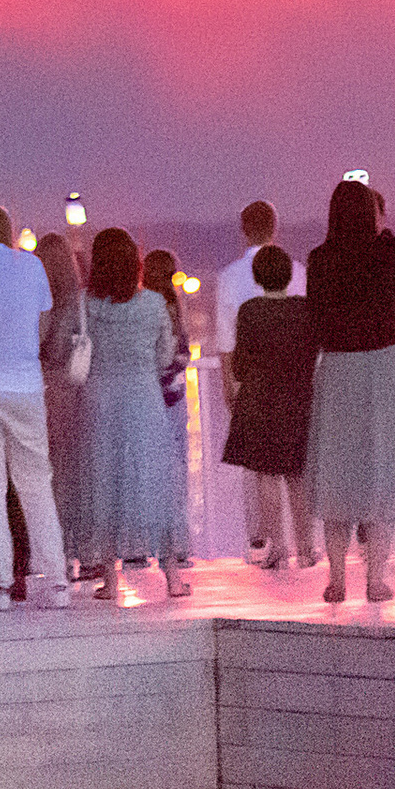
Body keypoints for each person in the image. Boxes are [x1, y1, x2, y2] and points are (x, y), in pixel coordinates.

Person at [304, 179, 395, 606]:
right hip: (388, 364)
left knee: (339, 471)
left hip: (340, 366)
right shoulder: (390, 251)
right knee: (384, 471)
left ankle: (337, 577)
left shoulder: (320, 259)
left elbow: (315, 315)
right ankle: (376, 579)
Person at [0, 209, 73, 609]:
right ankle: (57, 582)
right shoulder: (33, 266)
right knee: (36, 484)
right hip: (25, 386)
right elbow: (42, 327)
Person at [77, 226, 190, 601]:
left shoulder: (86, 305)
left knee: (104, 484)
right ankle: (172, 577)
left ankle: (110, 580)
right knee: (155, 483)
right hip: (143, 400)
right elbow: (164, 356)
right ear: (134, 263)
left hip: (99, 401)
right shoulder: (154, 304)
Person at [214, 202, 303, 559]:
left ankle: (268, 541)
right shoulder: (299, 272)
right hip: (296, 385)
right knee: (297, 468)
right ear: (275, 227)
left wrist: (228, 384)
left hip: (255, 386)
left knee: (260, 470)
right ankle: (305, 544)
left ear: (243, 230)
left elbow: (226, 340)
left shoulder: (229, 278)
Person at [222, 243, 319, 568]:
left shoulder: (249, 311)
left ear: (257, 276)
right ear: (289, 275)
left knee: (266, 477)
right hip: (298, 399)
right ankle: (306, 548)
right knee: (298, 476)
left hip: (260, 401)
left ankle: (277, 548)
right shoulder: (305, 309)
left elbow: (239, 365)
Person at [36, 231, 90, 573]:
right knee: (77, 474)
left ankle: (56, 555)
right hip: (77, 391)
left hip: (46, 390)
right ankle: (83, 551)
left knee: (48, 476)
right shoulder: (80, 302)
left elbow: (44, 345)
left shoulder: (41, 301)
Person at [141, 248, 194, 563]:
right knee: (176, 472)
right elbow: (184, 353)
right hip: (173, 397)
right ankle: (178, 545)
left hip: (145, 398)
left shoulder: (143, 305)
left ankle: (138, 547)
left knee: (143, 470)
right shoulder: (175, 308)